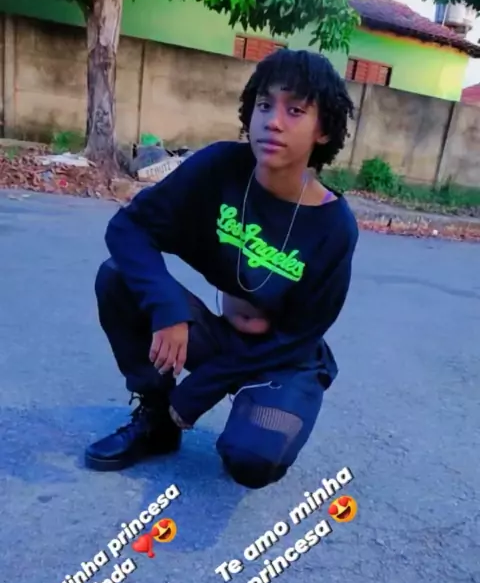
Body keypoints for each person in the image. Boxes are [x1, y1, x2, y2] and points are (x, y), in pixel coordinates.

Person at [85, 48, 359, 489]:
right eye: (264, 105)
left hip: (283, 360)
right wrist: (167, 308)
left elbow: (300, 335)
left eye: (295, 111)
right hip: (220, 337)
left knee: (253, 460)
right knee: (118, 277)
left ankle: (249, 412)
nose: (273, 122)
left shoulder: (334, 227)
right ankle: (157, 421)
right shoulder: (220, 169)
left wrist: (195, 393)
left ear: (323, 129)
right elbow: (129, 227)